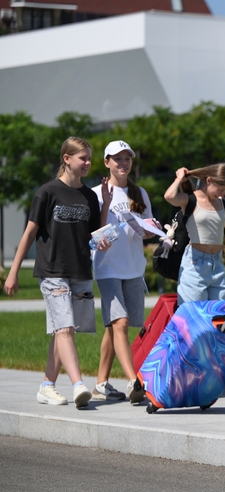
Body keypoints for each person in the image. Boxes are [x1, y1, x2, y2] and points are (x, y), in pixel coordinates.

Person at [3, 137, 113, 409]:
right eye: (82, 158)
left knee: (62, 329)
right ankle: (78, 385)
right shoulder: (47, 192)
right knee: (64, 327)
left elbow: (93, 235)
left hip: (80, 269)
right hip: (52, 270)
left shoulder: (90, 196)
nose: (87, 163)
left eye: (89, 158)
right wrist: (13, 272)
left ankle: (47, 386)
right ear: (66, 158)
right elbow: (29, 233)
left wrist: (106, 207)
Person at [91, 140, 154, 404]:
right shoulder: (95, 193)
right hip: (107, 268)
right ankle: (132, 381)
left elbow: (146, 229)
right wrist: (98, 236)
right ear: (107, 162)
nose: (123, 163)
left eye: (127, 158)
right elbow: (91, 233)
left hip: (133, 267)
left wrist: (151, 230)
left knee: (113, 327)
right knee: (121, 323)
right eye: (117, 158)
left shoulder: (139, 193)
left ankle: (101, 383)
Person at [163, 163, 225, 305]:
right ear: (209, 180)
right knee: (193, 313)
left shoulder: (223, 202)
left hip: (217, 264)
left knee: (218, 314)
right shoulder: (190, 199)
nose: (222, 194)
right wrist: (179, 178)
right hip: (195, 264)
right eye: (220, 189)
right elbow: (169, 196)